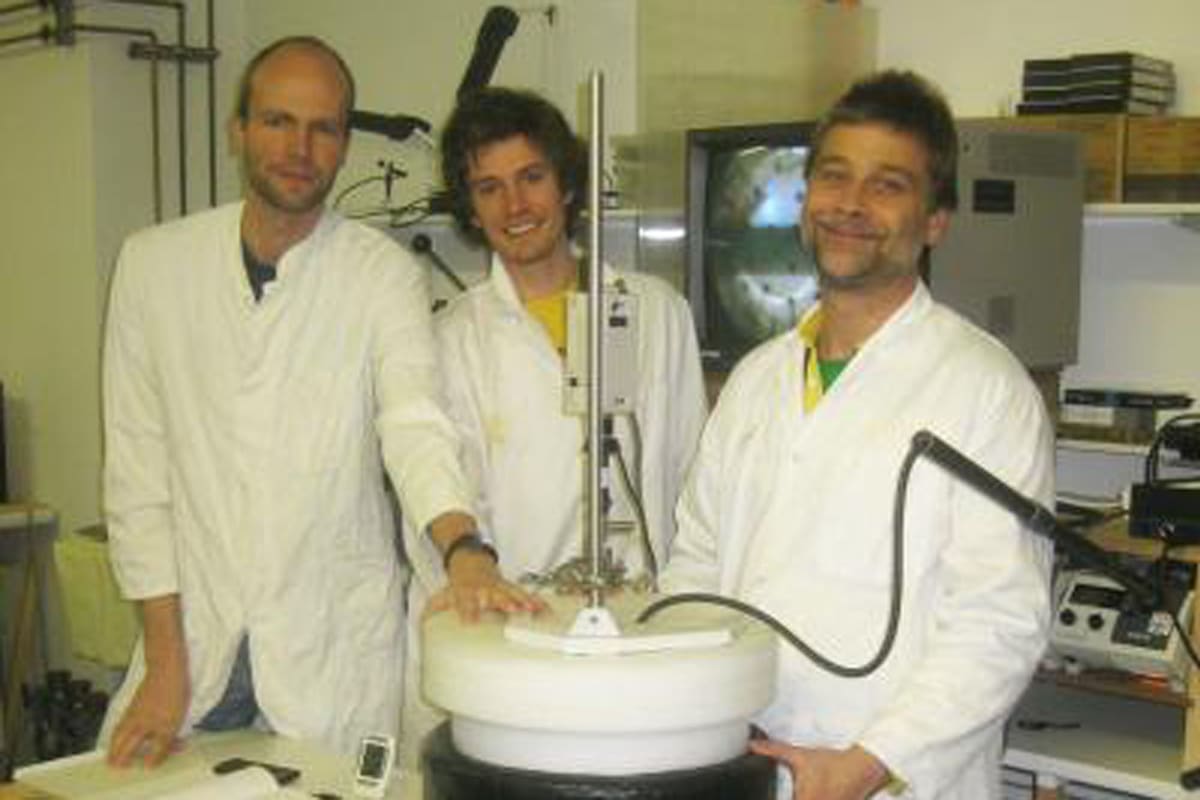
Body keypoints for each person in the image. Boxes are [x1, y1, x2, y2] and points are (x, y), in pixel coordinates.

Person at [99, 35, 499, 767]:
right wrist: (163, 665)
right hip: (193, 656)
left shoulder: (380, 276)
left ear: (344, 143)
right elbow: (137, 477)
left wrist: (464, 548)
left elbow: (413, 424)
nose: (298, 147)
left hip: (331, 653)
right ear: (239, 129)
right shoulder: (154, 267)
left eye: (323, 127)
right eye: (278, 121)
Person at [661, 70, 1054, 799]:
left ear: (936, 221)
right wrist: (692, 717)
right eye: (834, 177)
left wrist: (870, 761)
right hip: (744, 765)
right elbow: (696, 564)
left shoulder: (985, 390)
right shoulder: (755, 380)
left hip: (894, 782)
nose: (850, 205)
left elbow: (997, 622)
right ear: (806, 200)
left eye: (888, 185)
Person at [400, 86, 707, 770]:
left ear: (566, 183)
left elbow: (692, 477)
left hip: (632, 639)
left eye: (532, 177)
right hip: (510, 644)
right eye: (489, 187)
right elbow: (436, 484)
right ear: (470, 209)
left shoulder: (655, 315)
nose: (515, 207)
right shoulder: (448, 341)